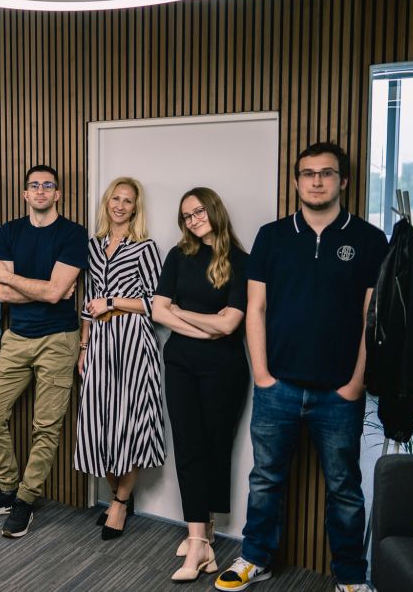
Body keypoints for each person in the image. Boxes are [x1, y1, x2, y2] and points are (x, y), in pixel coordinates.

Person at [214, 143, 388, 592]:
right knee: (265, 479)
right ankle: (256, 558)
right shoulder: (272, 236)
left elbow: (372, 318)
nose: (316, 181)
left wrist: (356, 383)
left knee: (344, 487)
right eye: (308, 173)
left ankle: (350, 577)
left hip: (340, 393)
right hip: (279, 388)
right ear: (296, 181)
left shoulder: (369, 239)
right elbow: (255, 309)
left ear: (342, 181)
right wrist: (262, 375)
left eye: (326, 173)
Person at [0, 165, 88, 539]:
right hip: (17, 337)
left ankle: (25, 499)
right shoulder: (9, 232)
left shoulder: (73, 234)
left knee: (45, 427)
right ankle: (7, 488)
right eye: (34, 185)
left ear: (57, 194)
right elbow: (6, 295)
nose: (40, 190)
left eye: (47, 185)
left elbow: (54, 293)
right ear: (25, 194)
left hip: (59, 340)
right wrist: (47, 289)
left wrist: (14, 278)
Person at [151, 187, 248, 582]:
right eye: (186, 216)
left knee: (215, 447)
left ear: (214, 210)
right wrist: (207, 326)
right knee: (189, 448)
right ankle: (197, 541)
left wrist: (184, 314)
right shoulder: (178, 256)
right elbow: (159, 310)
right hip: (180, 364)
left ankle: (205, 532)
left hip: (224, 369)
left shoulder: (241, 261)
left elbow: (231, 324)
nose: (193, 220)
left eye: (198, 212)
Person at [74, 176, 164, 541]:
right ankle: (117, 495)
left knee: (128, 424)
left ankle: (121, 502)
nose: (120, 205)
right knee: (99, 424)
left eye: (128, 200)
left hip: (133, 343)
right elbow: (88, 298)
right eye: (116, 198)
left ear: (135, 208)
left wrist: (113, 302)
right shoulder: (93, 246)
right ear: (107, 203)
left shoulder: (145, 247)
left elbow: (157, 302)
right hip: (99, 343)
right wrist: (83, 347)